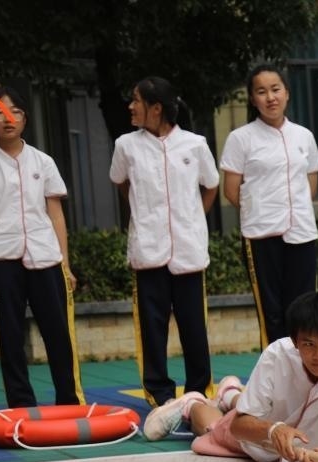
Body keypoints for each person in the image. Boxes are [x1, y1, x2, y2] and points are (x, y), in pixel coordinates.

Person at [142, 291, 318, 462]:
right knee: (215, 427)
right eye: (309, 344)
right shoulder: (277, 355)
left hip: (313, 449)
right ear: (295, 341)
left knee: (247, 406)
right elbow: (238, 426)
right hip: (258, 436)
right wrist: (272, 429)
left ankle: (230, 394)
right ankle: (192, 405)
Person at [109, 76, 218, 407]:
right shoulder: (126, 146)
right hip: (148, 250)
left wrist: (194, 217)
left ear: (156, 108)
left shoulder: (195, 144)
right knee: (152, 329)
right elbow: (121, 182)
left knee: (193, 327)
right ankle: (160, 395)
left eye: (136, 100)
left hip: (188, 250)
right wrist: (143, 214)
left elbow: (211, 184)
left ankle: (198, 392)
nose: (130, 106)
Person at [220, 64, 318, 348]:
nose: (270, 97)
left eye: (275, 89)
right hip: (261, 236)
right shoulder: (241, 138)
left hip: (301, 233)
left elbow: (311, 183)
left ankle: (304, 369)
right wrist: (261, 211)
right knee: (272, 313)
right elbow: (231, 190)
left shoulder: (303, 136)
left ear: (287, 93)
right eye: (261, 92)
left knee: (304, 310)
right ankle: (276, 369)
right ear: (253, 99)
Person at [0, 85, 84, 407]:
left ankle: (68, 401)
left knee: (57, 333)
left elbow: (56, 215)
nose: (8, 119)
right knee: (10, 335)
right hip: (2, 259)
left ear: (25, 118)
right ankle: (21, 404)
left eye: (15, 112)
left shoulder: (43, 161)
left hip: (45, 257)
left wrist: (65, 264)